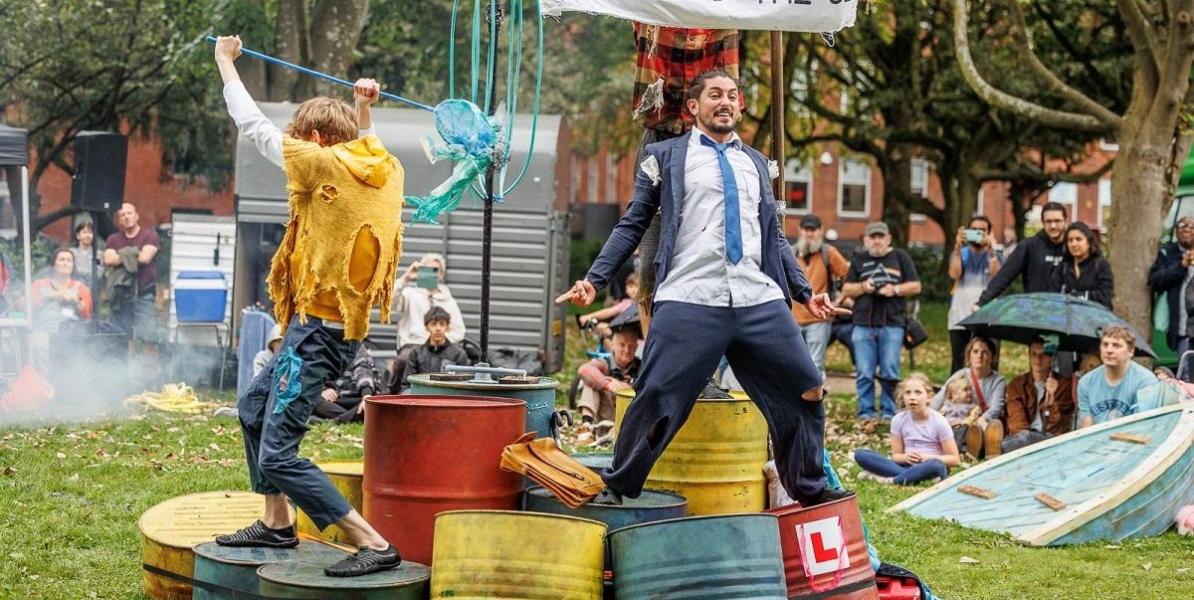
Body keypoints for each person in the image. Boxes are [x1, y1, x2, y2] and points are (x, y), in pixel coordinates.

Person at [560, 69, 851, 508]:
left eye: (733, 95)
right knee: (657, 395)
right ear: (694, 107)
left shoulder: (756, 163)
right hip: (690, 296)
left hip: (757, 296)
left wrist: (804, 293)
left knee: (807, 387)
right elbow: (633, 223)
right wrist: (594, 279)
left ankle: (808, 488)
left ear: (741, 106)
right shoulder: (665, 157)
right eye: (715, 94)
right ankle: (618, 485)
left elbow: (772, 235)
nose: (726, 102)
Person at [212, 35, 404, 576]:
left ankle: (374, 543)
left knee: (279, 453)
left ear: (316, 140)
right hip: (322, 330)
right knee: (253, 409)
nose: (293, 154)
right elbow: (373, 149)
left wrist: (226, 63)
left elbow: (252, 126)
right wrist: (366, 111)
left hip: (318, 336)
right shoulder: (381, 170)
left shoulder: (320, 165)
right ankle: (277, 524)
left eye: (301, 143)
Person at [841, 221, 921, 420]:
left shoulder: (900, 257)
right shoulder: (859, 259)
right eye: (872, 237)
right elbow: (847, 289)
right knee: (864, 372)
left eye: (880, 237)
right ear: (866, 240)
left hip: (892, 323)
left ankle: (888, 411)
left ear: (888, 239)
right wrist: (865, 287)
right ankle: (866, 412)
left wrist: (894, 289)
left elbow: (916, 286)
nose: (877, 241)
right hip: (862, 324)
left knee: (890, 371)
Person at [853, 373, 961, 485]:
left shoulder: (939, 421)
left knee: (935, 465)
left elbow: (955, 460)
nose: (912, 397)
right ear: (903, 397)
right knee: (861, 454)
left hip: (930, 466)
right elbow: (896, 456)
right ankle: (908, 476)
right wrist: (906, 458)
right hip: (906, 465)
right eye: (908, 393)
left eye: (918, 392)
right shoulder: (898, 420)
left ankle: (891, 479)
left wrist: (926, 458)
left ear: (929, 397)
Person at [391, 252, 466, 389]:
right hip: (413, 345)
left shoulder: (449, 301)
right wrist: (405, 278)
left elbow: (459, 330)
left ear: (441, 274)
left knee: (456, 359)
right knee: (404, 360)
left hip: (442, 346)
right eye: (428, 269)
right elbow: (390, 302)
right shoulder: (410, 294)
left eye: (436, 270)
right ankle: (394, 396)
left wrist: (439, 338)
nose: (432, 273)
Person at [791, 214, 850, 380]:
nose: (809, 234)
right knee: (792, 363)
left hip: (819, 319)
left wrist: (841, 299)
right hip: (792, 318)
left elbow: (848, 276)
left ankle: (814, 401)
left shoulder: (828, 253)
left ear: (820, 231)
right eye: (806, 229)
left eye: (813, 230)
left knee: (815, 363)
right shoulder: (790, 252)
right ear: (800, 231)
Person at [977, 201, 1068, 306]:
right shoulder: (1029, 246)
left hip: (1066, 312)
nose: (1053, 226)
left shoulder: (1072, 247)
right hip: (1035, 311)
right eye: (1048, 221)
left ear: (1065, 220)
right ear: (1043, 222)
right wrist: (982, 302)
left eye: (1057, 221)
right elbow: (1005, 276)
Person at [931, 336, 1006, 459]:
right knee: (957, 430)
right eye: (975, 351)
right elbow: (941, 397)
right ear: (969, 355)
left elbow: (996, 407)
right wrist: (930, 417)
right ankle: (971, 449)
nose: (979, 356)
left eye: (984, 352)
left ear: (992, 357)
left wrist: (981, 419)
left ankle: (982, 447)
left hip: (981, 422)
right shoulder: (961, 374)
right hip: (957, 422)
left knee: (987, 427)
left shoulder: (998, 380)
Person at [947, 216, 1002, 372]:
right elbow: (954, 274)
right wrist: (957, 247)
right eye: (974, 230)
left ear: (990, 233)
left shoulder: (996, 254)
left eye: (982, 230)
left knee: (989, 362)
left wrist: (991, 249)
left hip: (988, 318)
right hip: (960, 317)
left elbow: (997, 277)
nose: (978, 233)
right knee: (959, 364)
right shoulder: (961, 253)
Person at [1077, 326, 1158, 428]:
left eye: (1116, 345)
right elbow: (1086, 426)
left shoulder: (1146, 381)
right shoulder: (1085, 382)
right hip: (1096, 441)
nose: (1109, 350)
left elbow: (1142, 427)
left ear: (1130, 351)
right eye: (1105, 344)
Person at [102, 202, 160, 343]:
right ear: (119, 220)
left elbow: (146, 258)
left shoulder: (150, 236)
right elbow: (109, 260)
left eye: (129, 213)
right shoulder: (113, 239)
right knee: (120, 338)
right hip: (121, 296)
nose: (126, 217)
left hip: (144, 294)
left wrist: (121, 255)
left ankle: (149, 366)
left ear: (136, 216)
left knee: (149, 338)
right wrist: (134, 253)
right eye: (122, 215)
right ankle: (124, 366)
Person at [1002, 341, 1075, 453]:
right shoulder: (1017, 384)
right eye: (1034, 354)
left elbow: (1057, 428)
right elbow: (1017, 421)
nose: (1038, 359)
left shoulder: (1065, 386)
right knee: (1022, 438)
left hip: (1051, 439)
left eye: (1043, 354)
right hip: (1022, 438)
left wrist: (1051, 399)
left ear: (1052, 358)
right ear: (1029, 356)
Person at [1148, 215, 1194, 354]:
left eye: (1192, 226)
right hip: (1183, 329)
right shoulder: (1167, 253)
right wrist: (1181, 265)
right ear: (1175, 231)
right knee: (1186, 369)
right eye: (1182, 226)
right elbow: (1155, 281)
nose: (1187, 229)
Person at [576, 327, 640, 425]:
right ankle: (586, 427)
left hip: (630, 419)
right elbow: (584, 369)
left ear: (636, 347)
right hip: (606, 414)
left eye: (631, 346)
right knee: (590, 382)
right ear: (612, 345)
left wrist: (626, 387)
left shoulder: (642, 367)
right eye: (622, 345)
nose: (627, 350)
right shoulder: (605, 363)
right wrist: (608, 384)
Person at [398, 306, 470, 393]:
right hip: (421, 399)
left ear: (447, 327)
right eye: (433, 324)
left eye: (442, 324)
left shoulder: (459, 354)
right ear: (426, 327)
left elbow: (465, 386)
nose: (438, 329)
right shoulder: (416, 353)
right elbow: (407, 384)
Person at [1051, 222, 1114, 308]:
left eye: (1078, 239)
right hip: (1069, 318)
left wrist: (1075, 296)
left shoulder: (1101, 265)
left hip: (1096, 317)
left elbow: (1105, 295)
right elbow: (1053, 296)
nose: (1074, 244)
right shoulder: (1062, 268)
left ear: (1088, 242)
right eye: (1070, 240)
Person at [314, 345, 381, 423]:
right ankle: (352, 417)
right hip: (333, 400)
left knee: (377, 403)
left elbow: (363, 370)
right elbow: (311, 374)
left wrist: (366, 395)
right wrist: (322, 389)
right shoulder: (319, 346)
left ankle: (336, 420)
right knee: (313, 399)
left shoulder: (355, 345)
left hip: (357, 397)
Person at [31, 248, 93, 329]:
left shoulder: (81, 288)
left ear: (73, 265)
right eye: (61, 260)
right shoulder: (39, 285)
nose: (65, 263)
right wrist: (57, 295)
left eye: (69, 260)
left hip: (72, 335)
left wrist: (77, 302)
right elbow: (28, 309)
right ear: (53, 264)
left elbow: (87, 316)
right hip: (42, 332)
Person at [578, 273, 639, 338]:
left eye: (637, 286)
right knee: (602, 327)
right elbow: (609, 312)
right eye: (631, 286)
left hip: (641, 339)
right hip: (625, 336)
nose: (634, 289)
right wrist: (589, 316)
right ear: (626, 289)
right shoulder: (625, 304)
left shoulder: (645, 304)